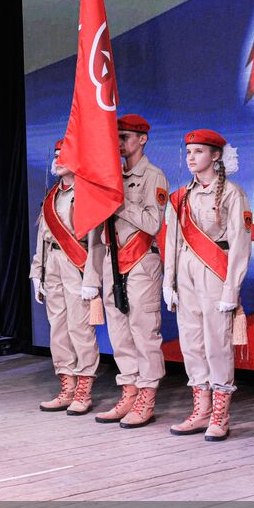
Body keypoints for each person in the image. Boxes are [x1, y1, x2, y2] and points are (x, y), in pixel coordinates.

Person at [160, 129, 251, 439]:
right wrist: (168, 281)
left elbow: (240, 243)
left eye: (198, 151)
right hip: (185, 272)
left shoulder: (231, 193)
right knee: (192, 342)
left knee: (216, 343)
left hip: (215, 271)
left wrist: (231, 290)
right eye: (188, 152)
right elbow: (171, 240)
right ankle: (200, 411)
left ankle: (220, 415)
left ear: (215, 156)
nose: (191, 158)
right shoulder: (179, 196)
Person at [87, 114, 168, 424]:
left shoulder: (153, 176)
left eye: (126, 137)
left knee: (143, 329)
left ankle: (147, 396)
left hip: (140, 261)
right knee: (119, 332)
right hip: (112, 260)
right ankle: (130, 392)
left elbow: (152, 223)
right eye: (117, 137)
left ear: (142, 139)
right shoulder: (112, 176)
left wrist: (119, 201)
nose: (119, 143)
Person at [31, 138, 101, 414]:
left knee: (79, 328)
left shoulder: (85, 195)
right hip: (53, 266)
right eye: (56, 154)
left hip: (77, 265)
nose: (58, 159)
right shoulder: (52, 196)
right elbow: (42, 236)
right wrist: (37, 272)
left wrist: (91, 279)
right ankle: (67, 385)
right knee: (58, 329)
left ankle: (84, 390)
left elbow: (96, 241)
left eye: (64, 154)